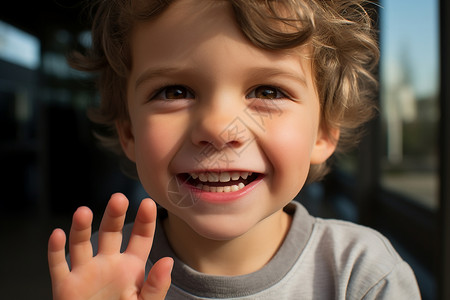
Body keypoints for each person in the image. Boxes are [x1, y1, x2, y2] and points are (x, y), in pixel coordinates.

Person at [47, 0, 422, 299]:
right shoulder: (103, 269)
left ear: (323, 132)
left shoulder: (361, 275)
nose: (218, 128)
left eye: (267, 91)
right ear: (128, 131)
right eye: (175, 92)